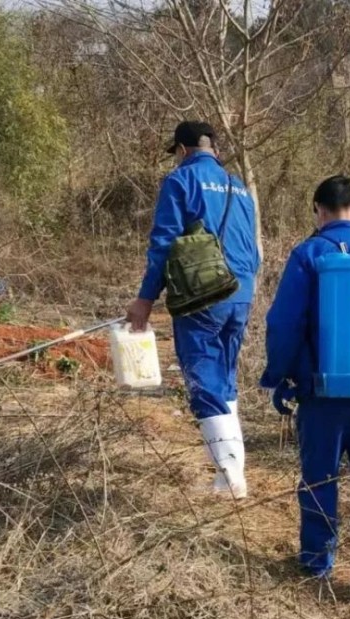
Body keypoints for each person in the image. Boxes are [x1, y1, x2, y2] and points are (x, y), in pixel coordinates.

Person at [260, 175, 350, 604]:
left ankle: (317, 564)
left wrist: (279, 375)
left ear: (319, 212)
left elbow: (284, 324)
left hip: (322, 394)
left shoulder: (310, 254)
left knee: (320, 478)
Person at [126, 121, 260, 500]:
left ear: (183, 149)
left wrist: (145, 299)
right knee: (225, 380)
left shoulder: (180, 180)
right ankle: (227, 476)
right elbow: (251, 247)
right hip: (240, 293)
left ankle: (231, 478)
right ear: (213, 147)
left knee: (203, 381)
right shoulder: (238, 186)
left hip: (202, 296)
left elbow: (164, 243)